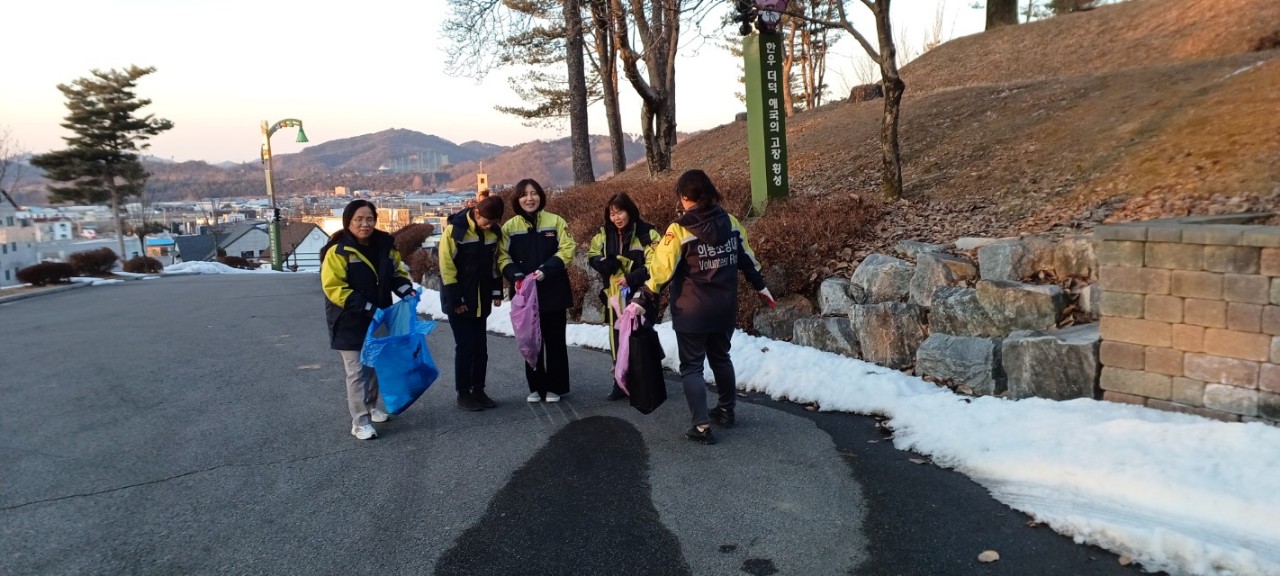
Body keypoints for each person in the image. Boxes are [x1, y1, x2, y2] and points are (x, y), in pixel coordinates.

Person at [629, 170, 775, 445]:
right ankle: (726, 410)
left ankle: (701, 426)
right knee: (721, 357)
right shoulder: (730, 222)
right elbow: (746, 257)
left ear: (685, 197)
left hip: (692, 310)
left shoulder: (678, 230)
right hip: (724, 308)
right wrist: (760, 285)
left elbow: (661, 270)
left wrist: (643, 296)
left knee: (692, 367)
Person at [321, 199, 416, 440]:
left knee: (373, 366)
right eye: (359, 219)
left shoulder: (385, 247)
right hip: (348, 320)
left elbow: (397, 274)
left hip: (378, 317)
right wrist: (365, 306)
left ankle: (370, 407)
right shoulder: (338, 251)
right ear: (348, 222)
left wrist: (405, 289)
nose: (365, 224)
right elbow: (334, 288)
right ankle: (360, 422)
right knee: (357, 372)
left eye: (369, 219)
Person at [499, 178, 576, 403]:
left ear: (541, 196)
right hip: (524, 295)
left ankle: (556, 387)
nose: (529, 198)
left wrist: (546, 269)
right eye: (524, 194)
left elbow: (568, 248)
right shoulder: (509, 227)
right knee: (530, 341)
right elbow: (502, 256)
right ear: (517, 199)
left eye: (533, 193)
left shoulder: (556, 221)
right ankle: (536, 386)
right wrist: (515, 275)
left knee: (555, 341)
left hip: (553, 291)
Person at [587, 192, 661, 400]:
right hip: (614, 297)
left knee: (640, 338)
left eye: (620, 212)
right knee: (617, 339)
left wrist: (631, 277)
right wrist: (603, 264)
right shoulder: (604, 233)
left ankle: (644, 381)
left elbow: (657, 264)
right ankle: (620, 381)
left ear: (630, 211)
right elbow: (592, 254)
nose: (616, 218)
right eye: (612, 214)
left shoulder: (647, 233)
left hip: (640, 295)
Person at [439, 195, 506, 412]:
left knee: (480, 348)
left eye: (493, 222)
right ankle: (463, 392)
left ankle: (478, 389)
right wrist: (456, 299)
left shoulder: (494, 233)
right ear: (477, 212)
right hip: (458, 299)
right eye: (487, 221)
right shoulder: (455, 231)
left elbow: (495, 265)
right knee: (465, 347)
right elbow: (446, 268)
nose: (489, 226)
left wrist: (496, 291)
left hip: (481, 299)